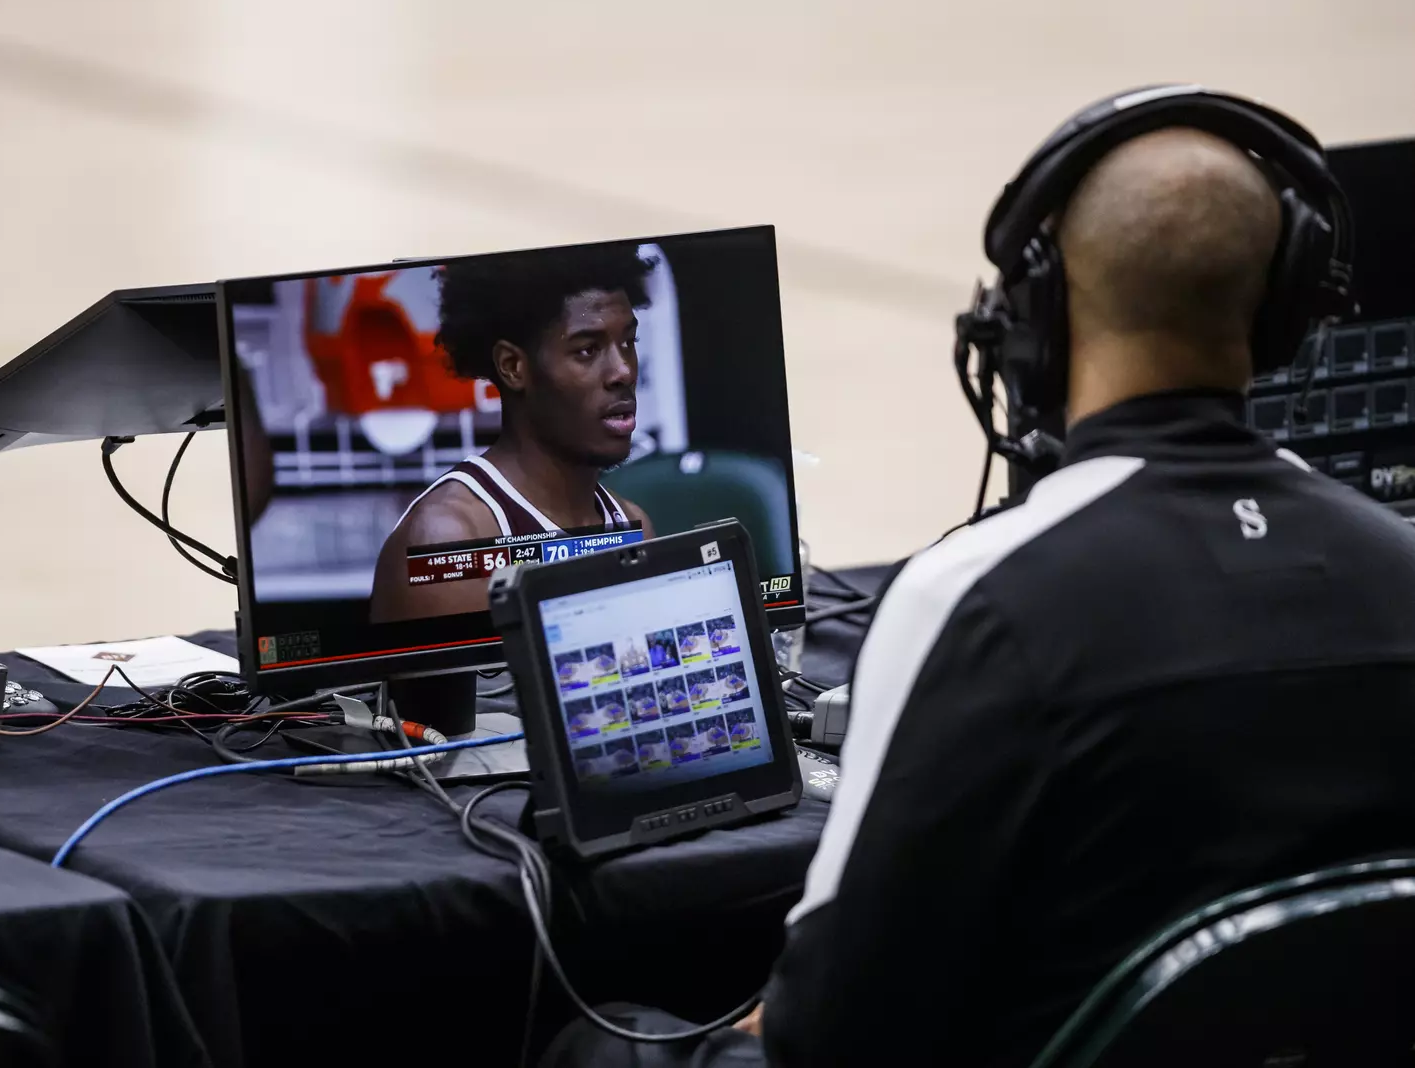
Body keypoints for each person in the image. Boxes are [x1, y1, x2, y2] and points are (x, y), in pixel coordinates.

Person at [547, 102, 1415, 1066]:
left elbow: (826, 1033)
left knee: (596, 1045)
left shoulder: (974, 598)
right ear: (1283, 313)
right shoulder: (1400, 566)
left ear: (1038, 315)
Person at [370, 245, 656, 623]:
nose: (623, 371)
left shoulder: (633, 525)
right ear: (513, 367)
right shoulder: (448, 542)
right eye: (588, 350)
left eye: (628, 343)